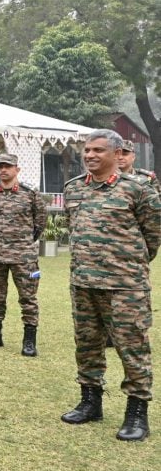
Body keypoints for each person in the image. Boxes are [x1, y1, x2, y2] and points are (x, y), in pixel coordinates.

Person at [60, 129, 159, 442]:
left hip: (125, 286)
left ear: (117, 154)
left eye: (98, 150)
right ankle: (90, 402)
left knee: (132, 347)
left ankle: (136, 413)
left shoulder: (138, 189)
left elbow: (153, 235)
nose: (90, 155)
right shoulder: (73, 189)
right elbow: (73, 228)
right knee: (87, 345)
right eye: (87, 150)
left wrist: (127, 264)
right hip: (83, 282)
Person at [0, 153, 46, 356]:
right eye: (0, 167)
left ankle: (29, 341)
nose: (3, 170)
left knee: (28, 298)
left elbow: (40, 221)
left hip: (24, 257)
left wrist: (24, 242)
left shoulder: (30, 193)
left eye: (8, 166)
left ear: (17, 169)